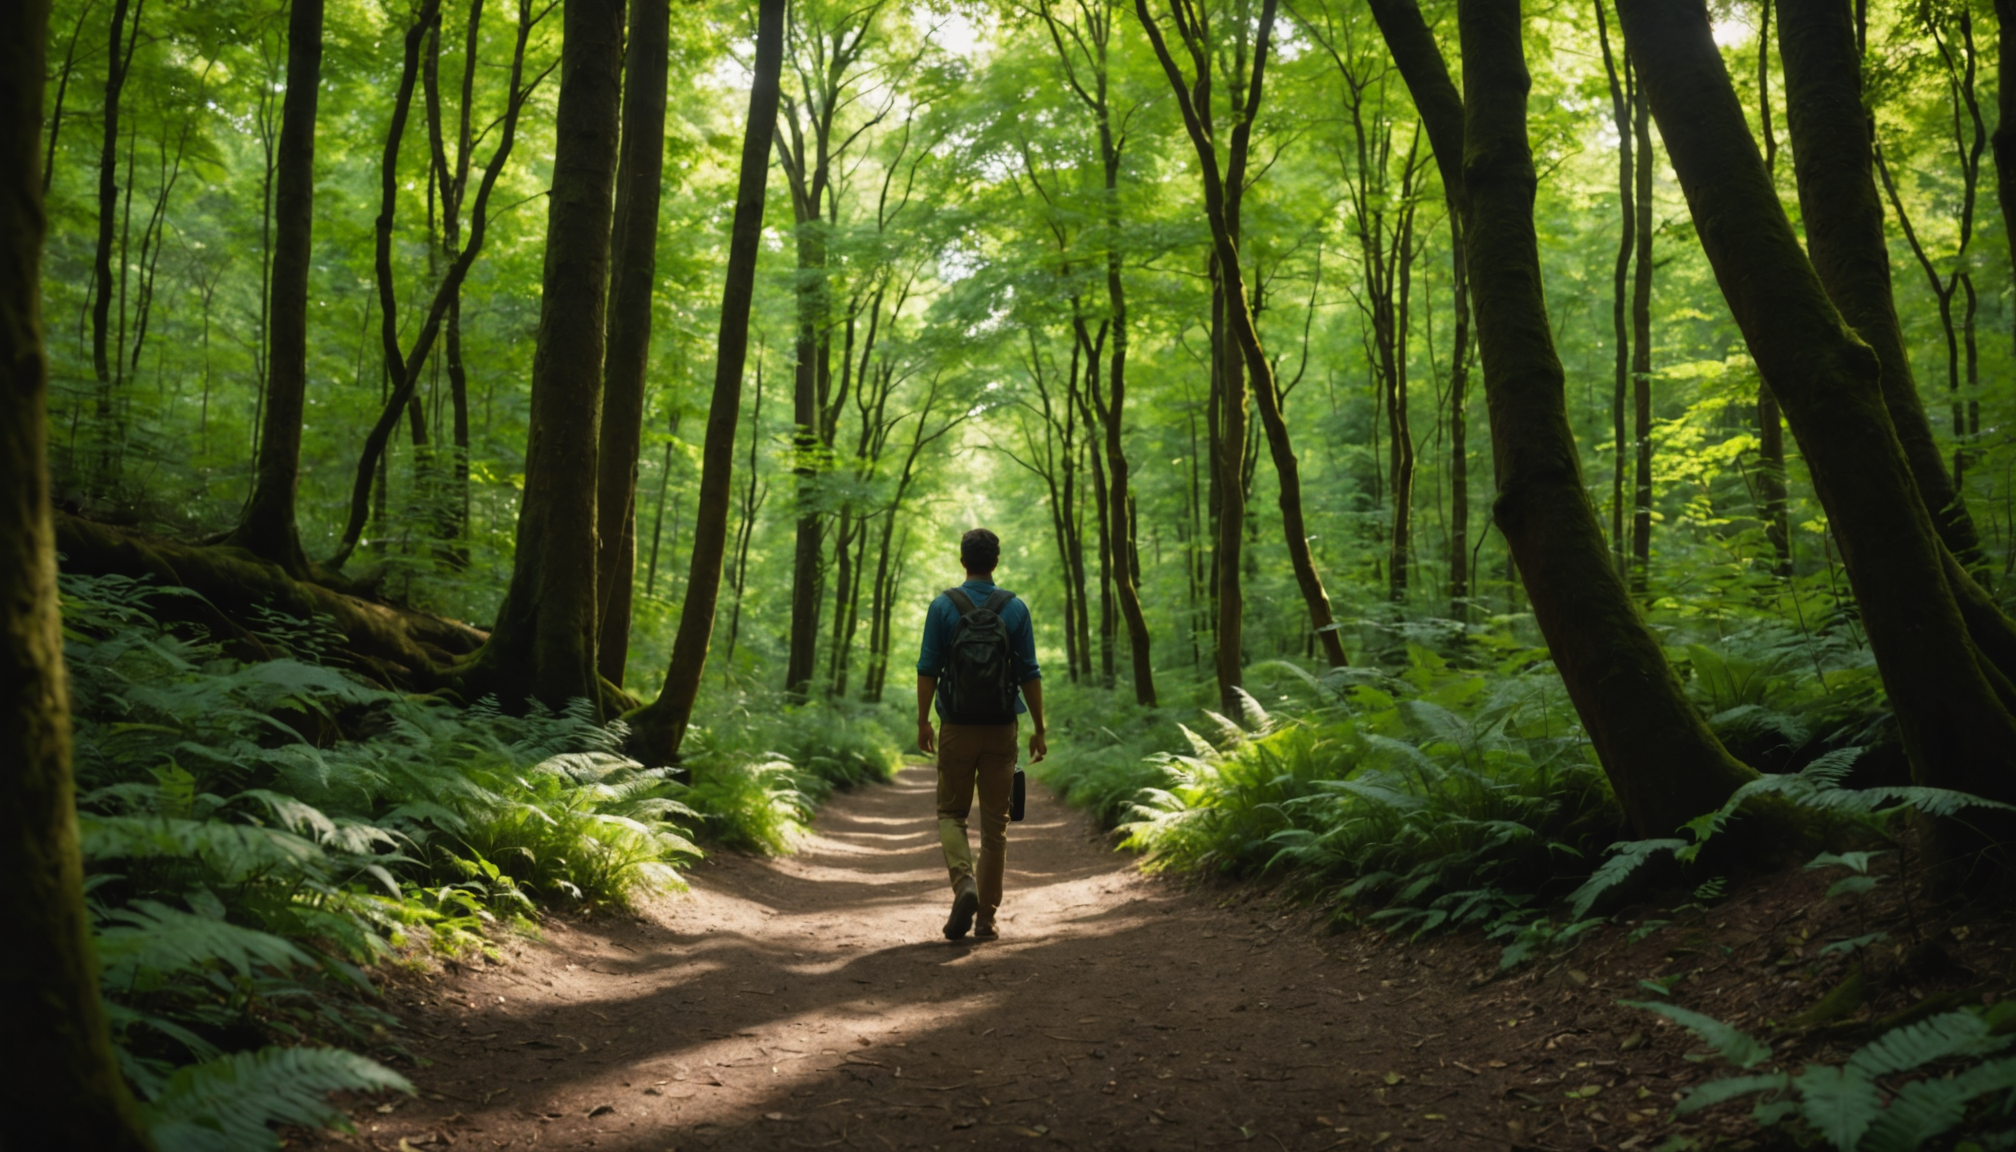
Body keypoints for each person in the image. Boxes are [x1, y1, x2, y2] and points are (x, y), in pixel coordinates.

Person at [916, 528, 1047, 942]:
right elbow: (1029, 673)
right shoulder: (1014, 609)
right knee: (996, 825)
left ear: (962, 560)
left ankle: (964, 885)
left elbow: (927, 669)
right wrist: (1040, 728)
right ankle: (986, 919)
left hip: (957, 726)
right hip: (1002, 728)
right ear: (996, 562)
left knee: (951, 814)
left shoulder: (942, 606)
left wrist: (924, 721)